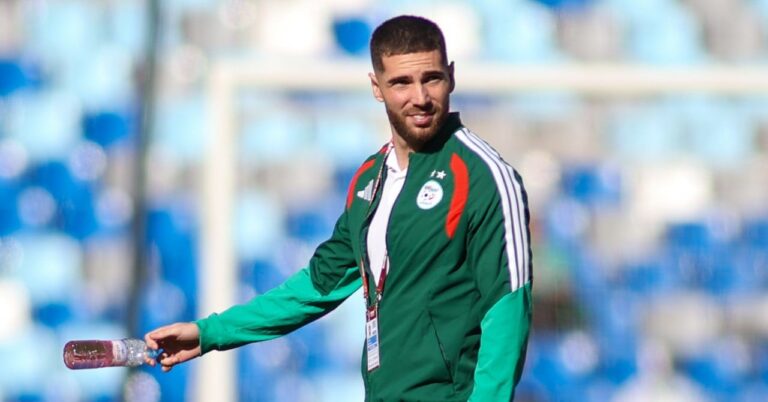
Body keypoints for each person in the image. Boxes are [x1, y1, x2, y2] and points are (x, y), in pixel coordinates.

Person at [144, 15, 532, 401]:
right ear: (376, 87)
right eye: (401, 82)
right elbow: (318, 286)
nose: (420, 97)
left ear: (451, 75)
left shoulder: (484, 177)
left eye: (431, 78)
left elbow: (507, 308)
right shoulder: (369, 178)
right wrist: (211, 332)